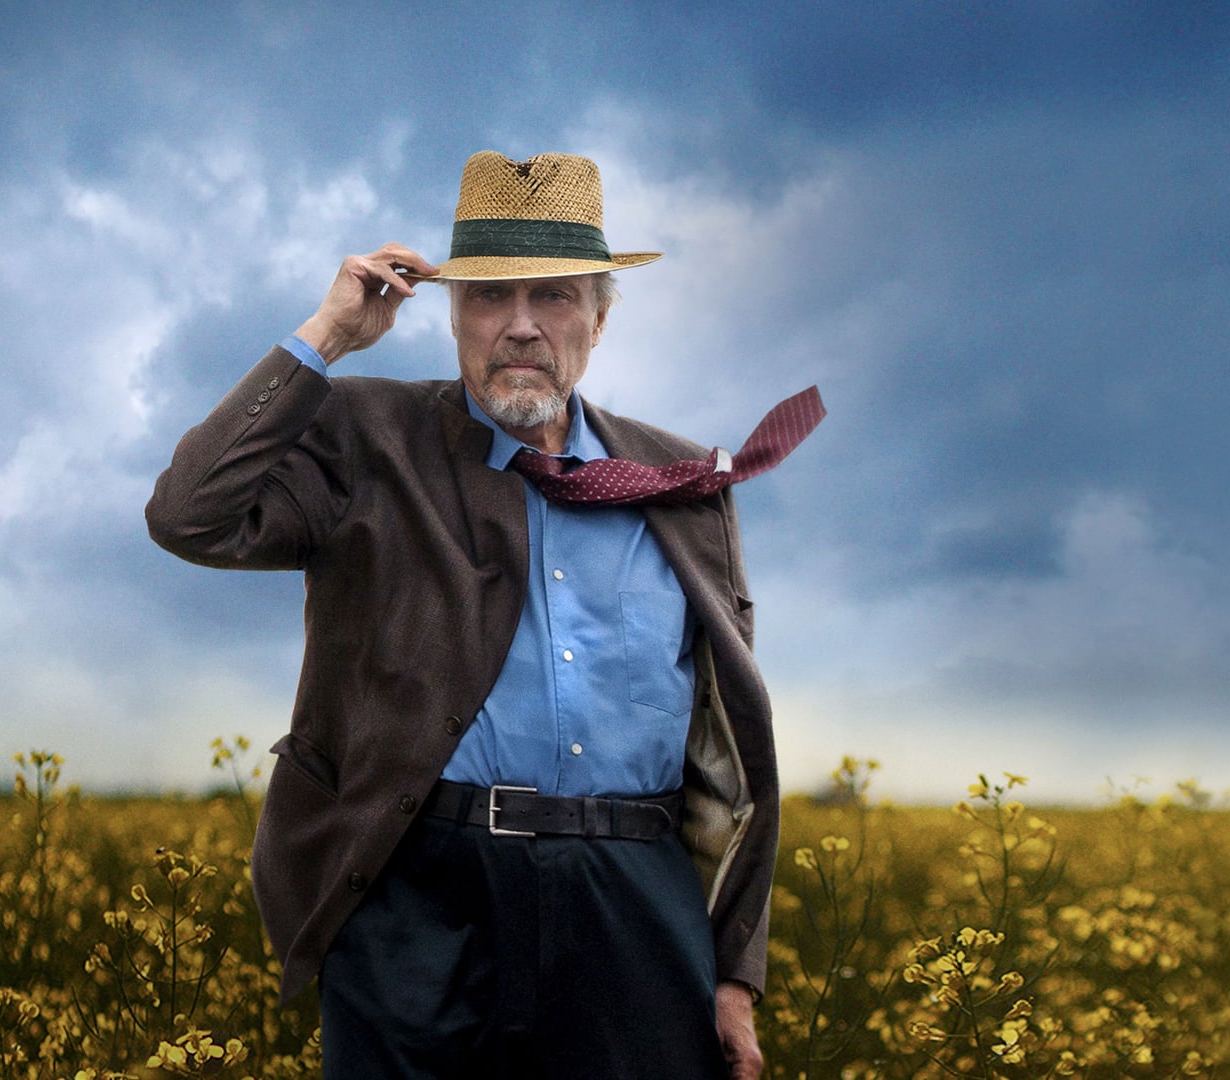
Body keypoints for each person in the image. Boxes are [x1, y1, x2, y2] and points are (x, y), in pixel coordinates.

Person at [145, 151, 821, 1078]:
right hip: (416, 898)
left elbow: (724, 752)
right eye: (490, 296)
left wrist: (735, 972)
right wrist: (327, 336)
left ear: (600, 318)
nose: (520, 325)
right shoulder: (366, 437)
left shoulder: (680, 482)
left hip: (635, 902)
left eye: (554, 297)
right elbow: (189, 515)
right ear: (453, 314)